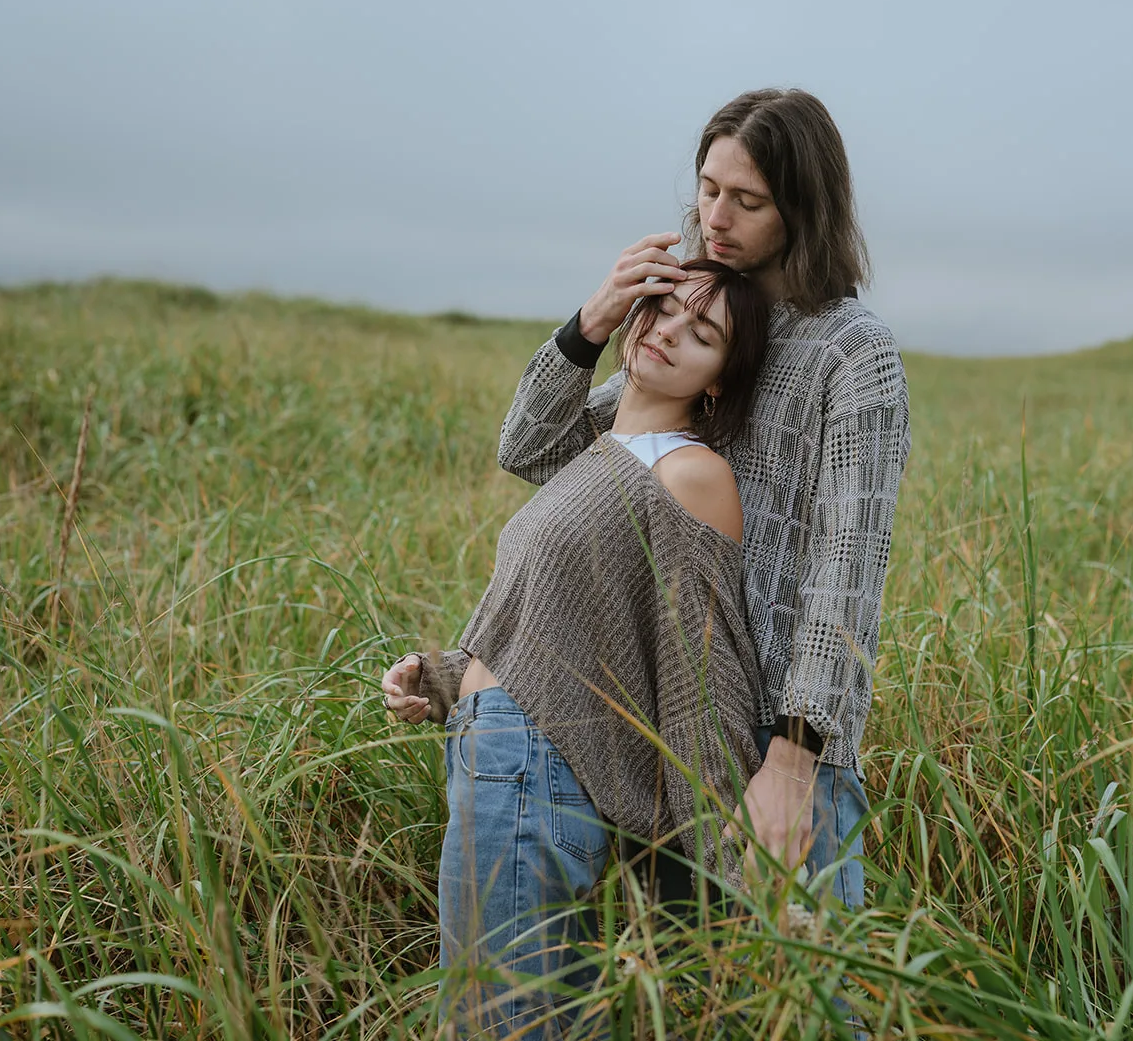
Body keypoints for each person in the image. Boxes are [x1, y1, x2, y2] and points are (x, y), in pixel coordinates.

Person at [496, 88, 910, 916]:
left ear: (802, 209)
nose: (716, 216)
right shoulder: (700, 319)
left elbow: (848, 567)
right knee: (692, 989)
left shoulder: (851, 351)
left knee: (807, 992)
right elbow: (534, 452)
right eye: (708, 188)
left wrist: (793, 763)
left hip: (785, 736)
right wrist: (590, 324)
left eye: (747, 200)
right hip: (672, 726)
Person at [383, 259, 771, 1036]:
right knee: (497, 1015)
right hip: (492, 756)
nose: (667, 332)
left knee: (494, 1022)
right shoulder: (594, 450)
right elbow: (570, 630)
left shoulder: (690, 472)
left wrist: (739, 856)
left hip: (533, 773)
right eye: (663, 309)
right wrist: (448, 678)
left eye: (702, 335)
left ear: (719, 381)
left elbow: (702, 673)